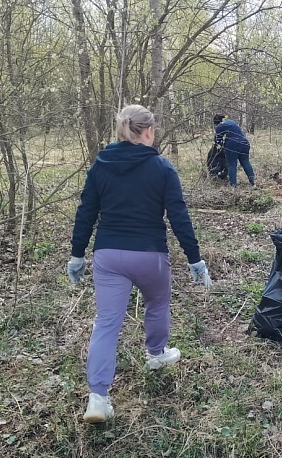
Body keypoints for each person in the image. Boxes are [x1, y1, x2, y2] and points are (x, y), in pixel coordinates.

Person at [67, 104, 212, 423]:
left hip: (108, 256)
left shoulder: (100, 166)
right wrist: (194, 259)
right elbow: (179, 216)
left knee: (106, 323)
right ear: (148, 131)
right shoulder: (162, 167)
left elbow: (86, 212)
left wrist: (77, 254)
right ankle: (156, 354)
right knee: (157, 303)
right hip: (150, 255)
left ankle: (98, 398)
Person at [213, 114, 255, 187]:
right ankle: (252, 181)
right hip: (244, 143)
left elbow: (218, 141)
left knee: (232, 164)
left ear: (216, 122)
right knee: (245, 162)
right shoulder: (231, 122)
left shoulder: (219, 126)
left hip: (232, 144)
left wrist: (221, 147)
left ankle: (233, 184)